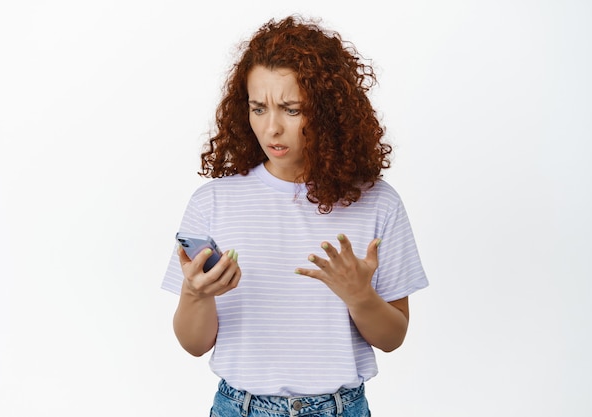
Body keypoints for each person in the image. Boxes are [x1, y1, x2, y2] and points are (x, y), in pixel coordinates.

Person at [161, 15, 429, 417]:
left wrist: (359, 295)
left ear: (328, 111)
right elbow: (194, 344)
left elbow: (393, 338)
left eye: (291, 109)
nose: (271, 128)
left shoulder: (378, 203)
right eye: (258, 108)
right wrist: (196, 294)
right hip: (239, 408)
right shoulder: (212, 202)